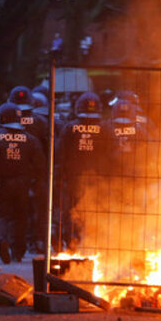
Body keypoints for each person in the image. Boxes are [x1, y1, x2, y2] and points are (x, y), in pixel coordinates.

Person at [0, 102, 46, 263]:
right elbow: (40, 166)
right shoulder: (31, 139)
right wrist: (35, 185)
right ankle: (18, 252)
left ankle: (1, 240)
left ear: (4, 118)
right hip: (23, 186)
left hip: (0, 185)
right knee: (20, 217)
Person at [55, 92, 114, 252]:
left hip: (74, 177)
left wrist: (59, 176)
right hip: (99, 178)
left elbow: (60, 153)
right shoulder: (106, 128)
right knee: (98, 210)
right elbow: (113, 154)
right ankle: (95, 242)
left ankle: (73, 242)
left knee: (73, 210)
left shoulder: (69, 128)